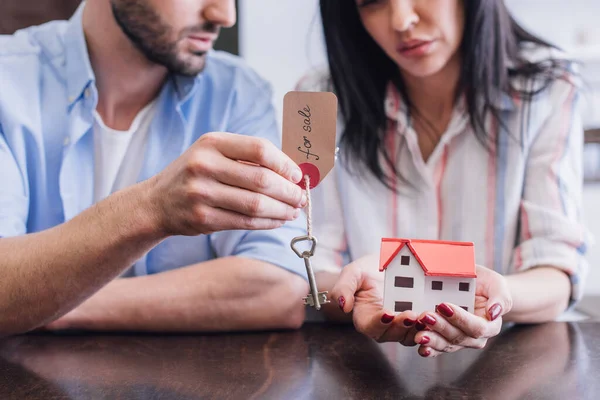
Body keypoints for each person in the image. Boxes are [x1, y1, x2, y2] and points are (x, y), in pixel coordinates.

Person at [0, 0, 311, 337]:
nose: (224, 16)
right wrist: (151, 209)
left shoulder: (237, 94)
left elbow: (279, 287)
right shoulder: (8, 79)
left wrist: (50, 299)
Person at [298, 0, 590, 357]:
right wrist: (354, 291)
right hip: (363, 366)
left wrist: (497, 296)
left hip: (511, 363)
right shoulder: (315, 102)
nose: (402, 21)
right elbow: (312, 270)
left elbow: (556, 268)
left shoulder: (548, 87)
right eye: (372, 2)